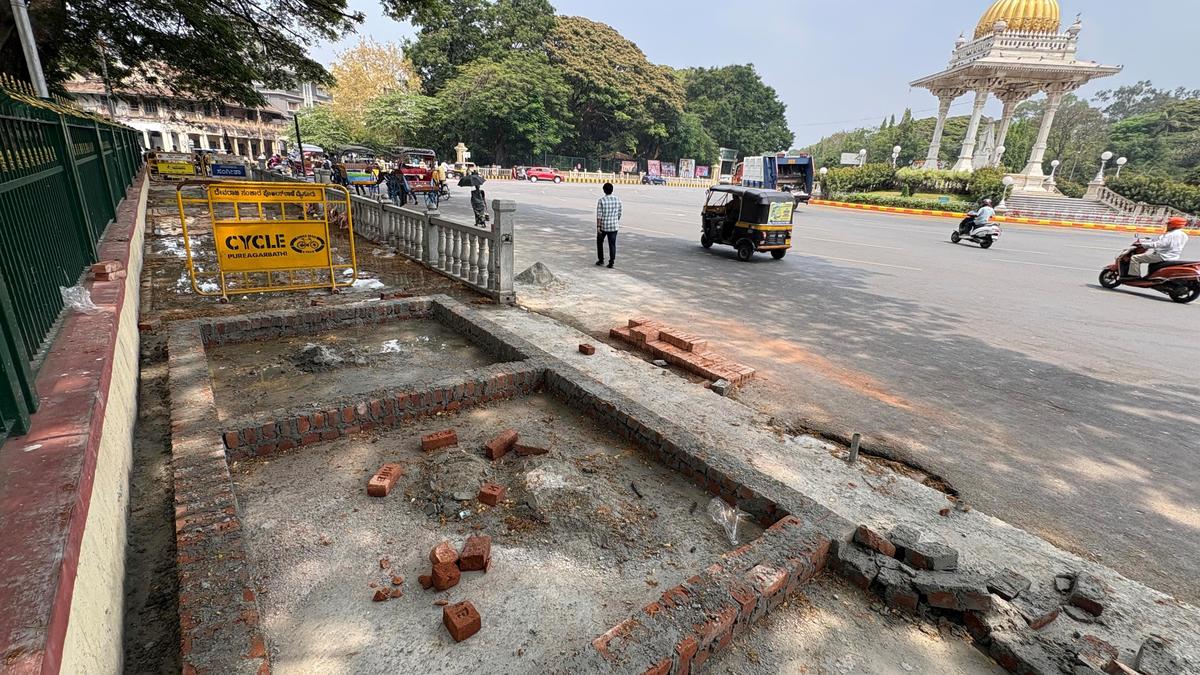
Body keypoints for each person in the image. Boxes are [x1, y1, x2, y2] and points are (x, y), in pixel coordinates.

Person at [595, 182, 622, 268]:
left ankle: (601, 260)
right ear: (612, 190)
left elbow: (599, 215)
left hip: (604, 226)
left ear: (604, 190)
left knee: (599, 242)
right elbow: (619, 213)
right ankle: (611, 262)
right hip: (614, 226)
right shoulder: (617, 200)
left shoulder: (601, 200)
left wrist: (598, 227)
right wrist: (615, 220)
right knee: (612, 244)